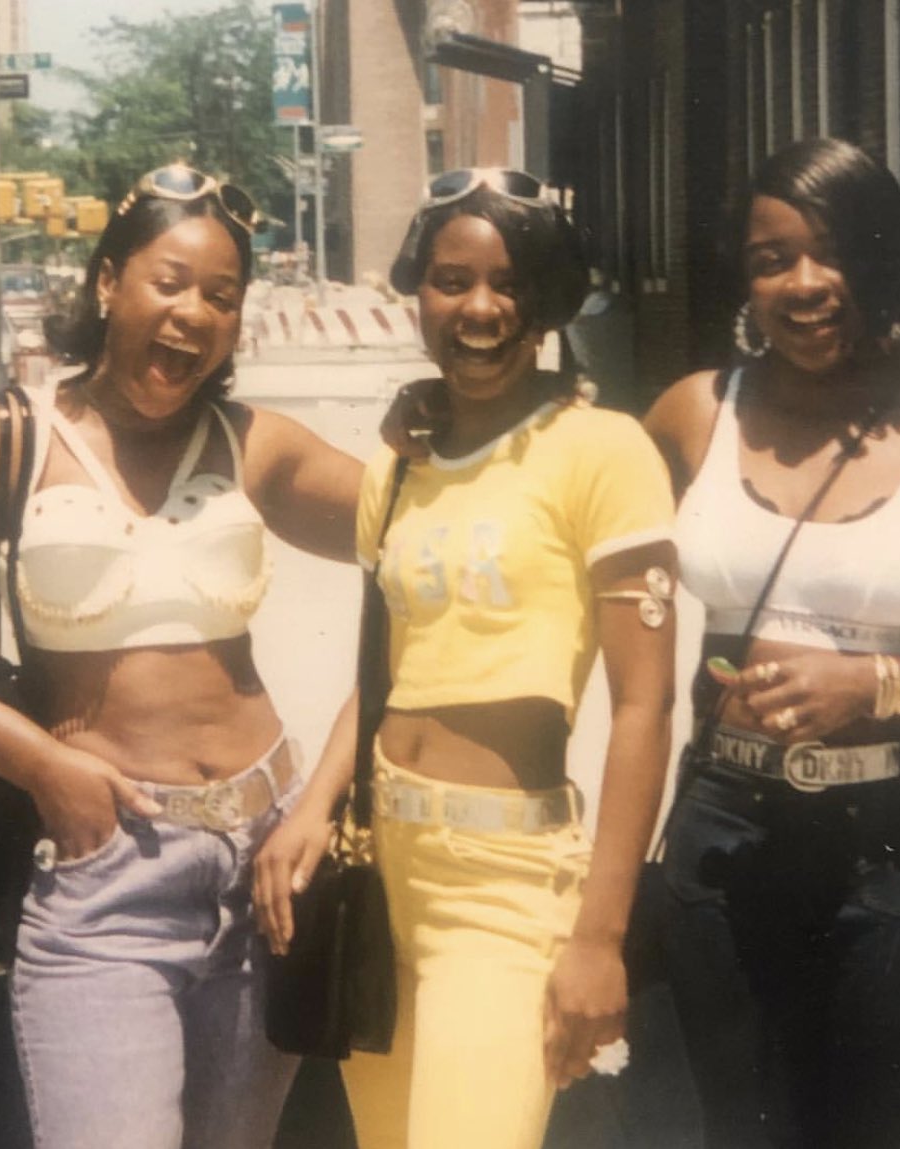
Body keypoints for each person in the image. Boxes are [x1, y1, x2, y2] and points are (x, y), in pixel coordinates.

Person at [0, 164, 363, 1149]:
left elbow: (434, 545)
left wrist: (323, 799)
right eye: (169, 282)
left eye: (222, 296)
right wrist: (43, 766)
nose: (193, 314)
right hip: (104, 875)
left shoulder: (255, 444)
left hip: (268, 865)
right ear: (107, 282)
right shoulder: (6, 437)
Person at [254, 168, 677, 1149]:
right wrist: (313, 808)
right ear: (418, 291)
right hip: (381, 866)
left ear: (548, 301)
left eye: (509, 283)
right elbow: (383, 673)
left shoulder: (605, 452)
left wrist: (600, 935)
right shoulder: (400, 464)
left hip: (506, 881)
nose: (479, 308)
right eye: (451, 281)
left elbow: (645, 708)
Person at [642, 137, 900, 1148]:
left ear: (884, 260)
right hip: (724, 832)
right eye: (772, 259)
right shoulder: (694, 415)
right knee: (739, 1131)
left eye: (834, 252)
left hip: (897, 849)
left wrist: (880, 684)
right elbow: (571, 519)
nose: (805, 283)